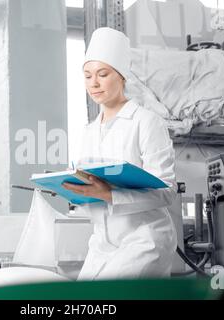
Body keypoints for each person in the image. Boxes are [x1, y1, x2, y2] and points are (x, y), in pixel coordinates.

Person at [62, 27, 178, 280]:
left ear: (122, 77)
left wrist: (110, 194)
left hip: (144, 240)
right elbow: (92, 193)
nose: (94, 83)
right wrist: (73, 191)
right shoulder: (89, 131)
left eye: (103, 74)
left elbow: (167, 190)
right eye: (87, 75)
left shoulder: (146, 122)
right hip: (102, 243)